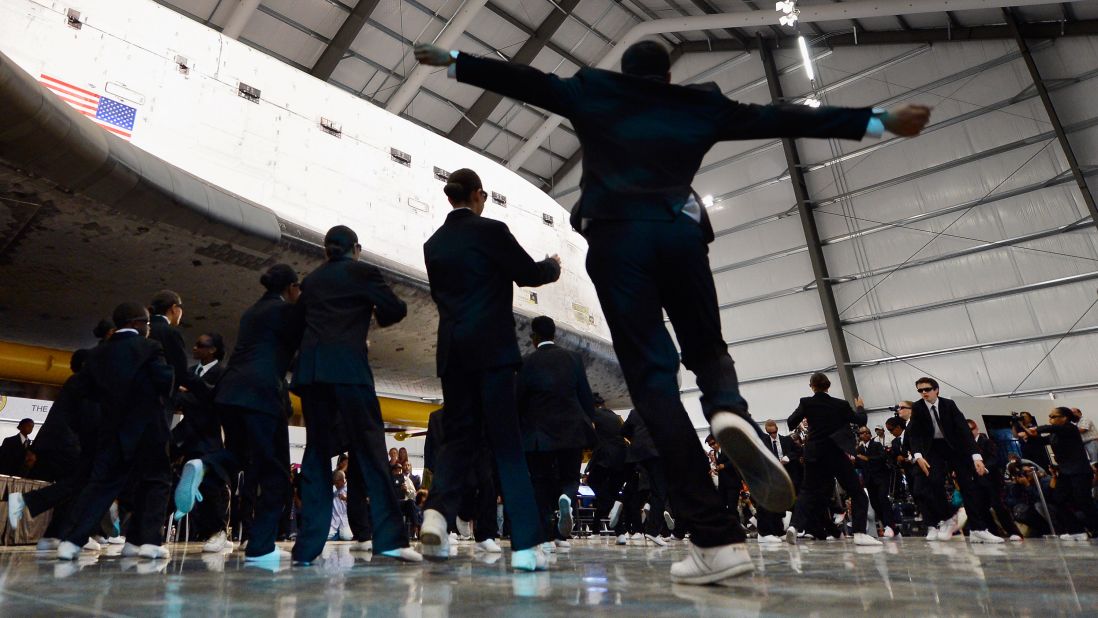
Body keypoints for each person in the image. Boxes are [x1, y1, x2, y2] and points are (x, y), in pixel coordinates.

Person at [413, 37, 930, 585]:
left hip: (617, 242)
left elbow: (528, 82)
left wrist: (457, 62)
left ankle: (715, 537)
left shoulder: (595, 93)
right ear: (665, 75)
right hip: (680, 236)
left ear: (625, 70)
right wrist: (876, 121)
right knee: (708, 349)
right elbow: (778, 117)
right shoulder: (696, 104)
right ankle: (728, 408)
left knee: (654, 384)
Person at [419, 168, 560, 572]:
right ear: (479, 196)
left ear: (451, 198)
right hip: (492, 351)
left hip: (453, 351)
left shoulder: (434, 245)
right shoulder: (492, 231)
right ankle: (527, 545)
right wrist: (551, 266)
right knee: (506, 443)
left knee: (459, 438)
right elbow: (530, 274)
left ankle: (437, 514)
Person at [288, 226, 420, 565]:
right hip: (349, 371)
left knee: (317, 455)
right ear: (356, 249)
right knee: (372, 450)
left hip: (314, 375)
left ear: (325, 250)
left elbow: (297, 324)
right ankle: (389, 539)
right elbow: (396, 308)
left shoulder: (312, 280)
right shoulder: (363, 271)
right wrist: (376, 314)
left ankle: (307, 548)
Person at [54, 302, 175, 560]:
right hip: (148, 429)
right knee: (156, 481)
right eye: (147, 323)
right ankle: (147, 542)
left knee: (101, 485)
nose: (148, 328)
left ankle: (72, 541)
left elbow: (83, 389)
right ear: (136, 323)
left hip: (112, 430)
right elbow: (164, 380)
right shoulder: (150, 347)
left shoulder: (98, 354)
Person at [516, 315, 598, 549]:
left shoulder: (526, 363)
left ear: (533, 338)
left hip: (538, 435)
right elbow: (585, 396)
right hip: (571, 431)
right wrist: (588, 422)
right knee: (570, 478)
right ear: (554, 335)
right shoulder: (573, 359)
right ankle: (566, 504)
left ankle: (548, 537)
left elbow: (518, 400)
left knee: (541, 482)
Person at [8, 353, 101, 550]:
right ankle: (28, 503)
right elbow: (86, 417)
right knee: (82, 482)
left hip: (59, 441)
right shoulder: (85, 384)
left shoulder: (75, 382)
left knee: (75, 485)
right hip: (67, 442)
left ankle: (54, 535)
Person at [784, 373, 878, 546]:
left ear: (811, 386)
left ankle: (794, 527)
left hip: (813, 453)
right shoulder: (840, 404)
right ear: (828, 386)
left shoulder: (806, 402)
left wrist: (807, 416)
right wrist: (860, 407)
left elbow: (791, 421)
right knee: (856, 491)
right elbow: (860, 420)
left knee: (807, 492)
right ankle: (859, 532)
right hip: (835, 452)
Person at [907, 377, 1002, 543]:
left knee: (968, 485)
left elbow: (964, 431)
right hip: (932, 449)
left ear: (936, 390)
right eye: (920, 390)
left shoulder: (948, 405)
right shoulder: (918, 407)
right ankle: (947, 518)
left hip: (954, 448)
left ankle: (978, 529)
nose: (924, 393)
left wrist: (976, 456)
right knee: (934, 482)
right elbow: (914, 434)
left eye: (927, 389)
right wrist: (918, 456)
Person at [171, 332, 231, 552]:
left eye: (200, 345)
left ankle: (218, 532)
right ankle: (196, 530)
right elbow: (179, 398)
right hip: (187, 435)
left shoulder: (221, 374)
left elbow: (213, 401)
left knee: (212, 485)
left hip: (209, 437)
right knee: (181, 482)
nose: (194, 348)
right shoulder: (190, 372)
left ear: (213, 349)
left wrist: (188, 393)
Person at [1029, 407, 1098, 540]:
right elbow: (1041, 441)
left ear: (1065, 418)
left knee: (1083, 501)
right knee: (1058, 499)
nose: (1050, 418)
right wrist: (1028, 435)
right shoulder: (1055, 434)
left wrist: (1037, 429)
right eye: (1050, 416)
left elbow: (1051, 429)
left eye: (1053, 416)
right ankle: (1076, 530)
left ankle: (1095, 527)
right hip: (1065, 472)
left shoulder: (1070, 428)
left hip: (1079, 471)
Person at [968, 419, 1022, 541]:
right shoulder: (967, 446)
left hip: (991, 480)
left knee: (998, 507)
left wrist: (985, 468)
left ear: (976, 429)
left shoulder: (986, 442)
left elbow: (994, 458)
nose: (969, 433)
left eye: (971, 429)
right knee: (982, 509)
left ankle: (1014, 532)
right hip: (977, 481)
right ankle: (993, 533)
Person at [621, 409, 669, 546]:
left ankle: (619, 502)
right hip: (656, 453)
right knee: (660, 491)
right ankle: (653, 530)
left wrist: (636, 440)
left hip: (636, 454)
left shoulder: (635, 410)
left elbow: (624, 430)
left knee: (637, 486)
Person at [585, 394, 627, 534]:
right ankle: (619, 532)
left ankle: (613, 505)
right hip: (622, 458)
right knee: (612, 492)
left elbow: (589, 434)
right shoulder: (614, 415)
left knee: (592, 481)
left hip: (605, 457)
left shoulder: (594, 414)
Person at [855, 426, 896, 538]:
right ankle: (890, 526)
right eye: (860, 433)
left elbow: (882, 458)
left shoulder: (876, 445)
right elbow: (858, 464)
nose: (862, 435)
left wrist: (867, 458)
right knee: (875, 503)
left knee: (883, 498)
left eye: (865, 433)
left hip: (881, 477)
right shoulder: (859, 449)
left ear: (869, 434)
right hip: (869, 480)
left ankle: (889, 525)